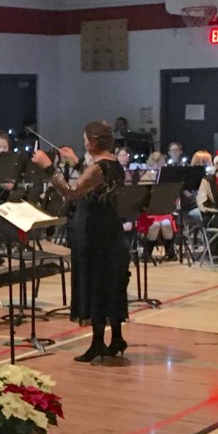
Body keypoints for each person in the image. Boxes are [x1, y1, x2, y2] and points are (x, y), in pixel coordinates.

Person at [31, 120, 130, 362]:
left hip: (93, 231)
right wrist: (75, 161)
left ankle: (98, 342)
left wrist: (48, 167)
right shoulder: (113, 164)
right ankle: (116, 337)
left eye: (85, 139)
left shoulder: (97, 168)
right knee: (109, 281)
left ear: (93, 142)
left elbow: (71, 192)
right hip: (109, 229)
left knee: (94, 281)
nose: (84, 142)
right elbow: (94, 183)